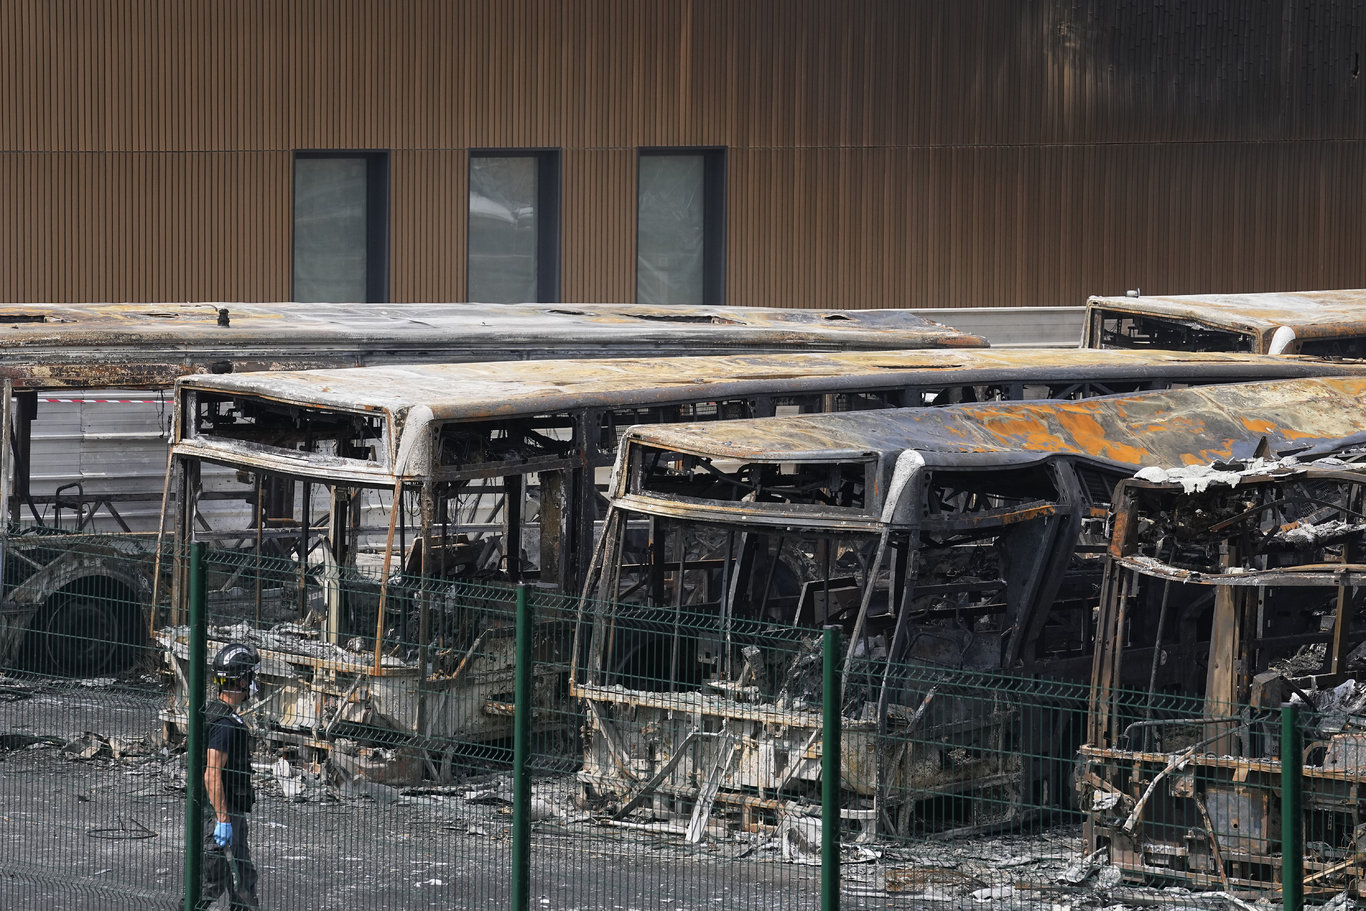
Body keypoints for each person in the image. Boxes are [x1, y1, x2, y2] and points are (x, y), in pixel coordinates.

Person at [196, 641, 260, 910]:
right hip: (222, 814)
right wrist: (223, 821)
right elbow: (212, 774)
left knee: (242, 883)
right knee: (211, 885)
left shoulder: (218, 714)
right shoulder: (225, 726)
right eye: (251, 676)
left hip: (226, 812)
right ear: (242, 680)